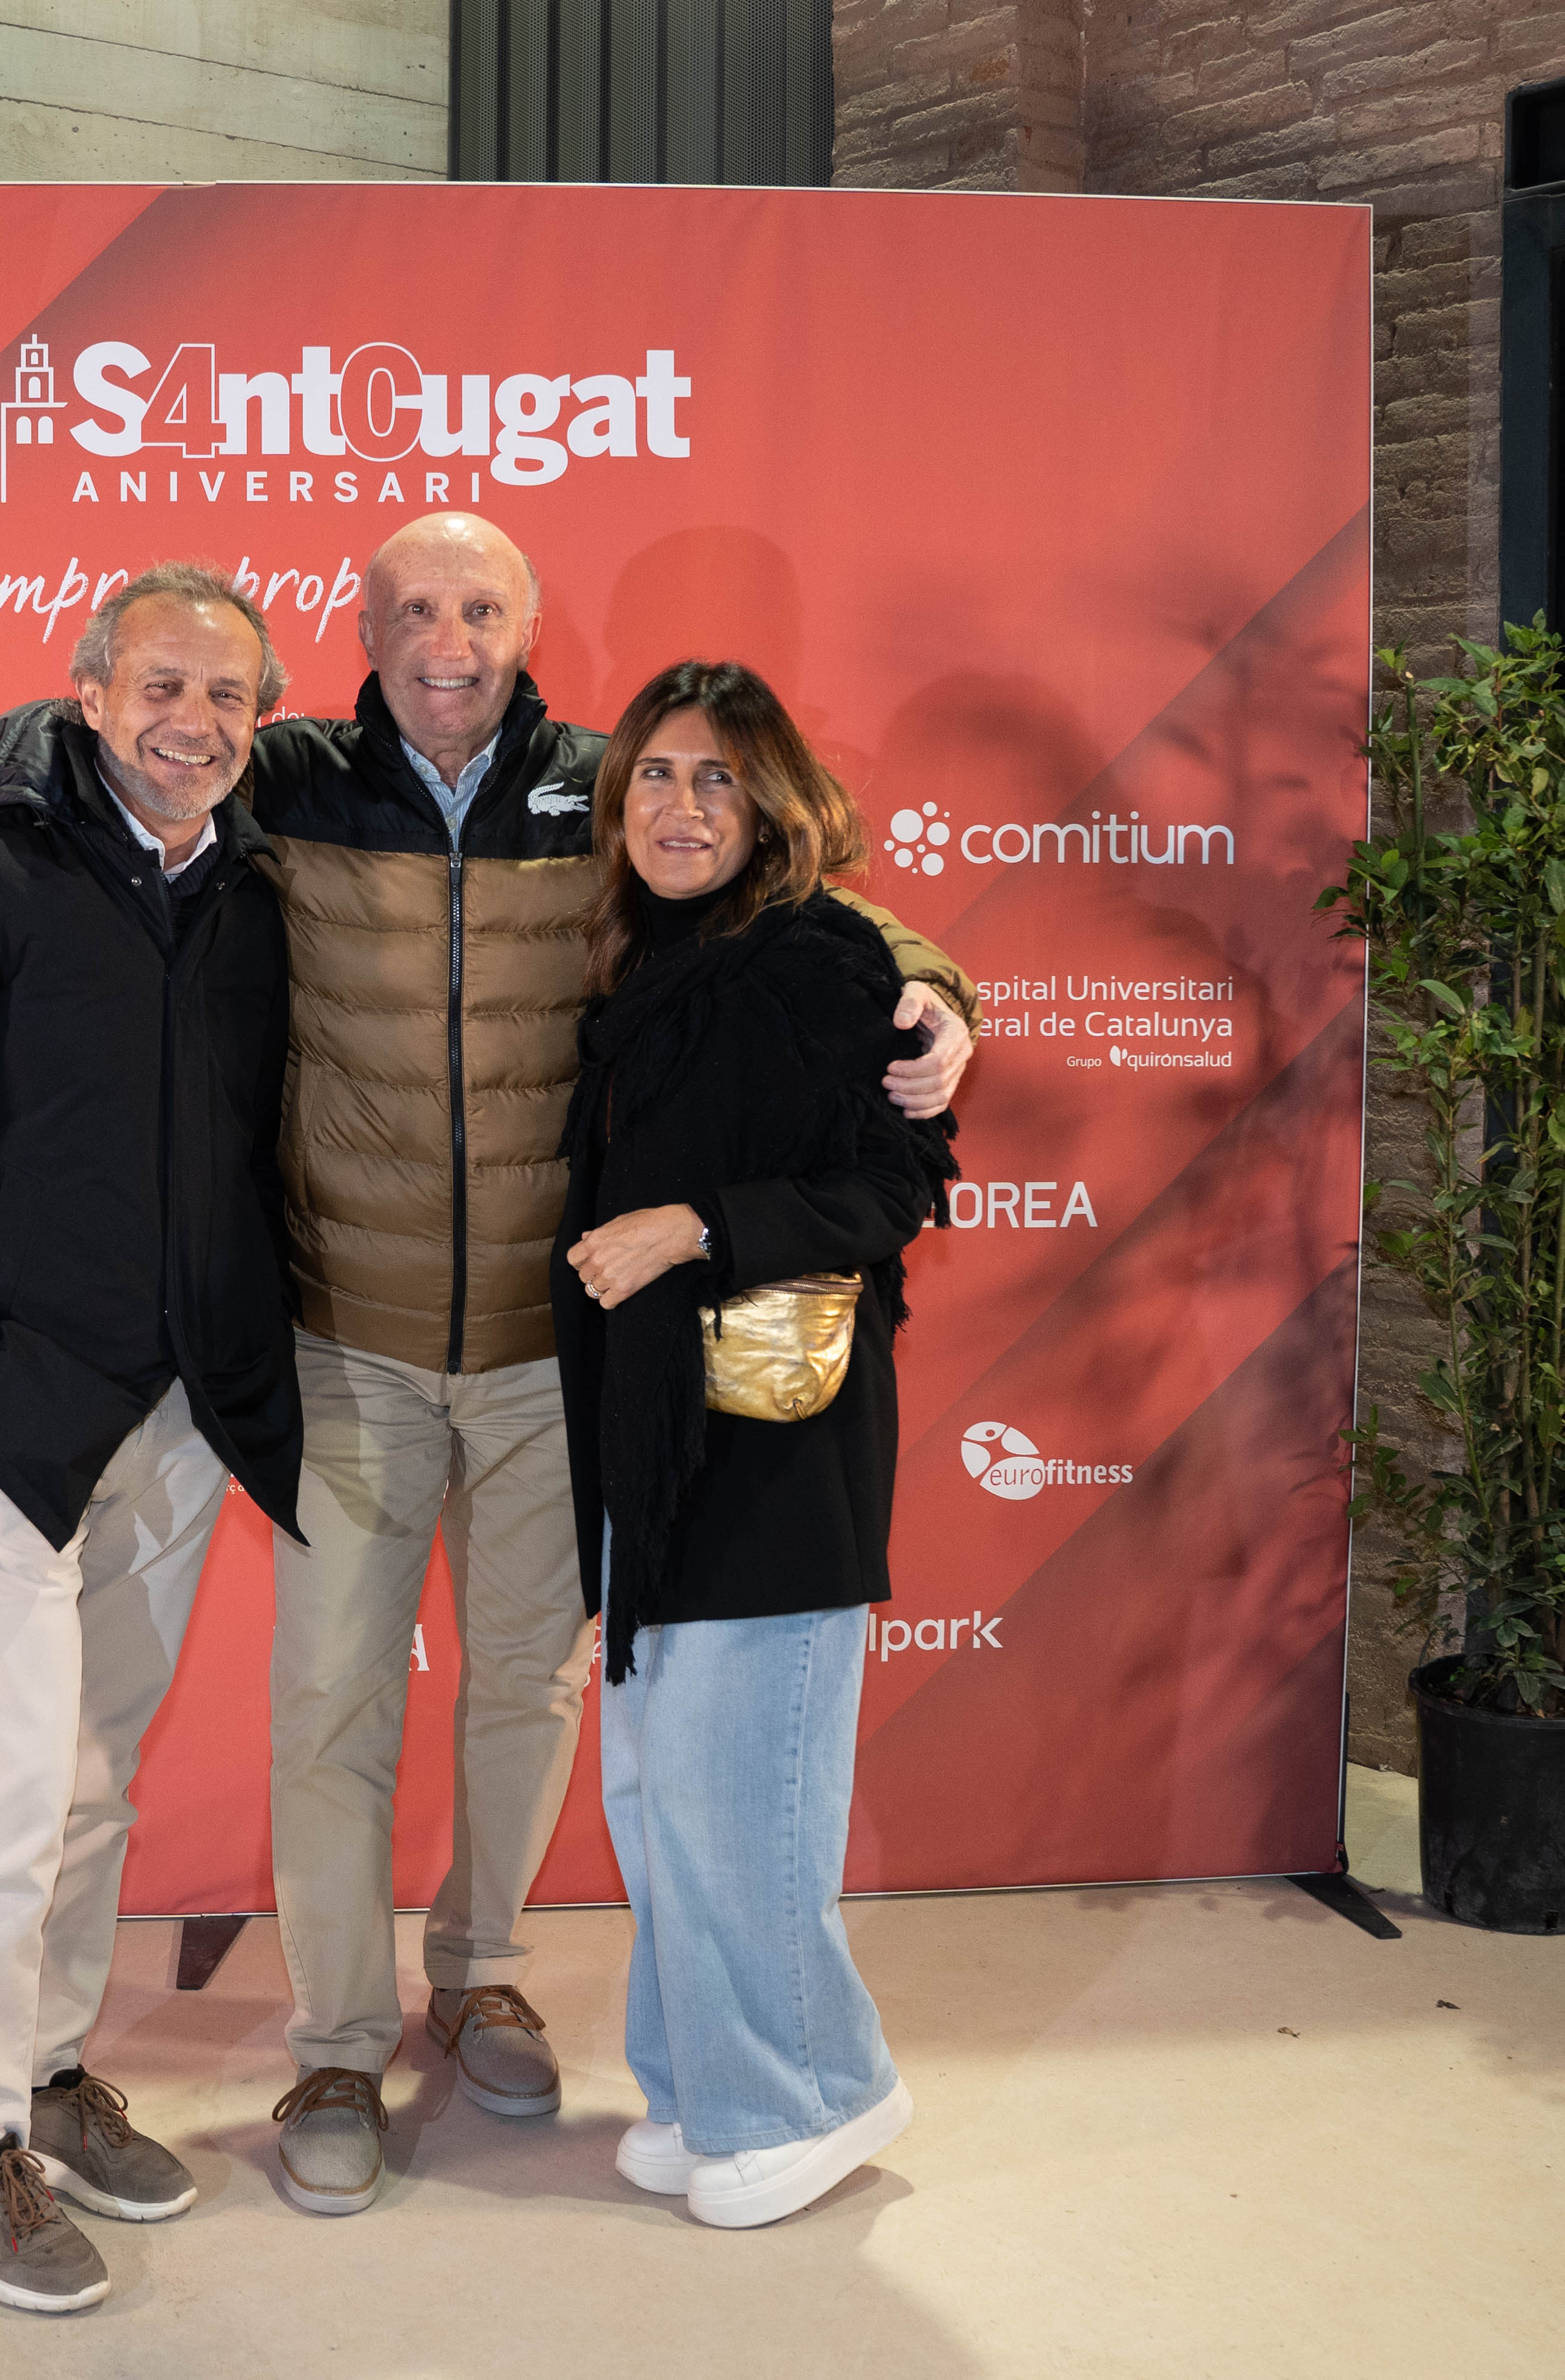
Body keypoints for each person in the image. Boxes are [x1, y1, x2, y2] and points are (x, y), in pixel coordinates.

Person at [0, 512, 979, 2216]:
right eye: (412, 611)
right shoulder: (284, 777)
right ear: (364, 633)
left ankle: (480, 1973)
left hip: (557, 1347)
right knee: (331, 1699)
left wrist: (932, 979)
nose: (446, 642)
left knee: (529, 1684)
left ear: (526, 627)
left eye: (478, 609)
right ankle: (334, 2040)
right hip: (345, 1342)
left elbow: (791, 892)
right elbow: (98, 751)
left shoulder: (611, 790)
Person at [0, 562, 303, 2314]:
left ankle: (43, 2076)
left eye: (228, 695)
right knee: (16, 1783)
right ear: (87, 696)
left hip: (177, 1412)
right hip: (14, 1413)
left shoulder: (262, 887)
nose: (194, 723)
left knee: (94, 1776)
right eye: (160, 686)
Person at [552, 659, 956, 2231]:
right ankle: (702, 2088)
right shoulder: (644, 963)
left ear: (774, 802)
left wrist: (697, 1225)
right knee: (662, 1803)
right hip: (657, 1448)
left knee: (741, 1812)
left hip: (778, 1457)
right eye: (654, 775)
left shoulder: (821, 958)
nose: (681, 806)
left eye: (717, 777)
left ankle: (814, 2096)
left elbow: (895, 1185)